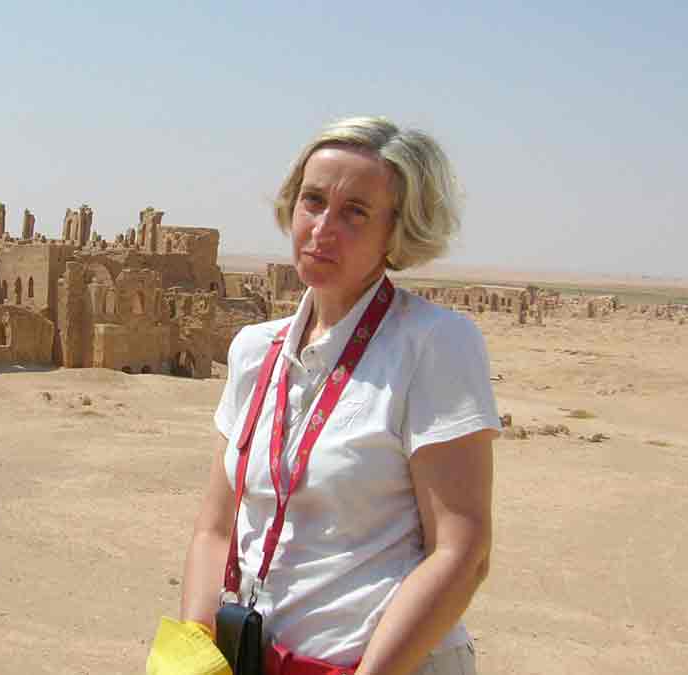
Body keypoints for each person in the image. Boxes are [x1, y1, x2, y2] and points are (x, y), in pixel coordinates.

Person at [178, 116, 499, 675]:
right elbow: (217, 528)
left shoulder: (431, 345)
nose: (322, 228)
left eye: (356, 212)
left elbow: (462, 552)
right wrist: (193, 655)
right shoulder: (255, 350)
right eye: (313, 201)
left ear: (396, 231)